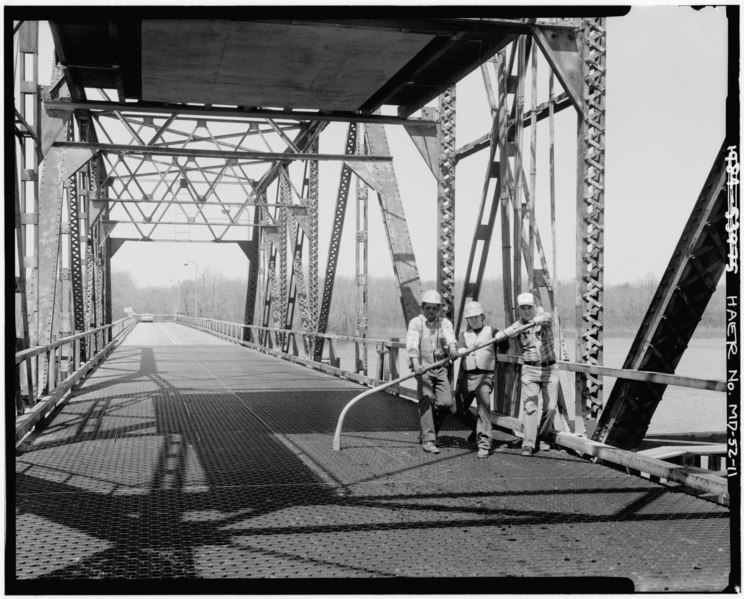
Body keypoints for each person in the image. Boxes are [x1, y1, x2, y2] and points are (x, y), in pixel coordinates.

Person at [503, 292, 559, 456]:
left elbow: (547, 318)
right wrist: (502, 335)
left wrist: (534, 322)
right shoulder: (518, 325)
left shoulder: (544, 318)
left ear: (534, 307)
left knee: (551, 407)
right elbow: (508, 332)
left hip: (549, 369)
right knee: (530, 407)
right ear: (519, 310)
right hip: (530, 370)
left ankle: (542, 437)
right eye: (523, 308)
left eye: (529, 307)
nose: (527, 311)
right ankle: (528, 444)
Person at [406, 289, 460, 454]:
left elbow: (451, 337)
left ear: (439, 309)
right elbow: (412, 344)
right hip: (423, 369)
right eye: (427, 308)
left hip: (439, 368)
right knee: (427, 399)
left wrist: (452, 348)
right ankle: (429, 440)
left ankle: (427, 433)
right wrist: (416, 363)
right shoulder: (416, 323)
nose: (431, 312)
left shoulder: (445, 323)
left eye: (434, 308)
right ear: (423, 308)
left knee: (445, 403)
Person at [455, 301, 510, 458]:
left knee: (483, 409)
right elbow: (459, 348)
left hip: (485, 375)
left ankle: (484, 444)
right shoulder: (464, 335)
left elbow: (504, 347)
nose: (473, 320)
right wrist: (462, 350)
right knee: (457, 409)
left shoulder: (492, 332)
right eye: (470, 318)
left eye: (476, 317)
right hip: (468, 376)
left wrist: (502, 339)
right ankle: (477, 428)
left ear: (482, 317)